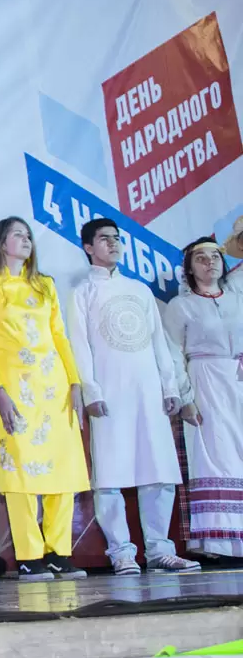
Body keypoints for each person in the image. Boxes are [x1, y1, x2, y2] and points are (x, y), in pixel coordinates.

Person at [67, 218, 198, 575]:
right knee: (109, 477)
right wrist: (91, 390)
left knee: (158, 471)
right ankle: (121, 552)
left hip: (148, 392)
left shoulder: (139, 290)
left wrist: (169, 387)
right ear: (88, 247)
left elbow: (159, 343)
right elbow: (79, 345)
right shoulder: (82, 293)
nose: (113, 244)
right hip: (109, 396)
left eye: (116, 238)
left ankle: (159, 550)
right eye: (104, 239)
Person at [0, 217, 89, 582]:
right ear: (1, 243)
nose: (26, 240)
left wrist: (74, 382)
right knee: (20, 472)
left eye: (28, 235)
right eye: (17, 235)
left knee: (62, 469)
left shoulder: (44, 284)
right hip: (14, 391)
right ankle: (28, 555)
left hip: (53, 387)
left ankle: (59, 552)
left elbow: (60, 336)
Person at [164, 236, 243, 561]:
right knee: (214, 454)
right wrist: (186, 397)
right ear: (189, 268)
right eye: (201, 258)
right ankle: (218, 542)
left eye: (215, 257)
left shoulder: (236, 298)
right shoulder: (181, 306)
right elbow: (172, 353)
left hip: (237, 378)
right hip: (205, 380)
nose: (210, 262)